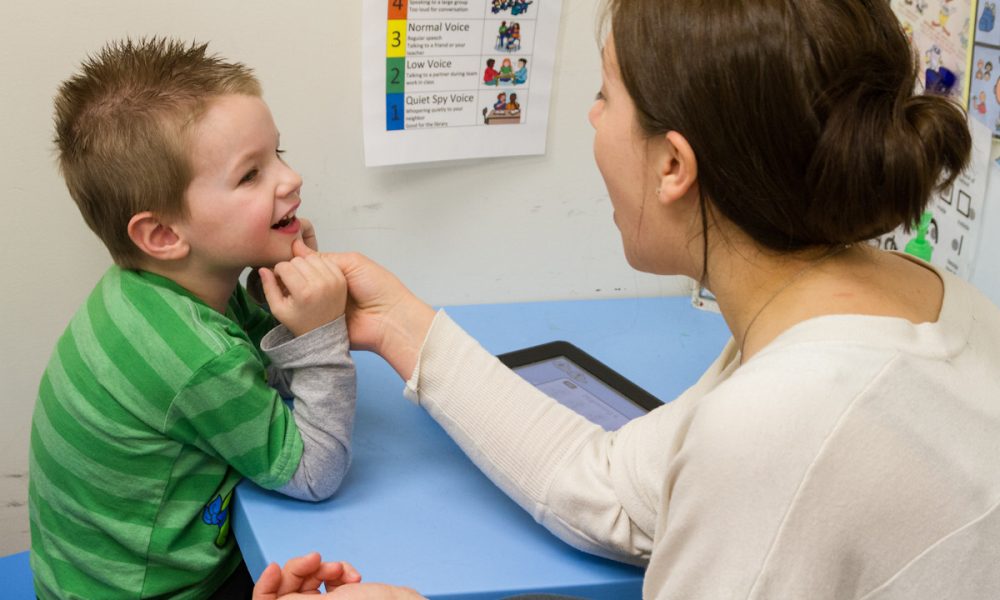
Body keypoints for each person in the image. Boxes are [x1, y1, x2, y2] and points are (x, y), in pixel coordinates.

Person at [271, 0, 1000, 598]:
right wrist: (402, 322)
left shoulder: (782, 421)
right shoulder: (913, 299)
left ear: (674, 164)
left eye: (603, 97)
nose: (591, 120)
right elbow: (616, 492)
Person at [29, 37, 357, 599]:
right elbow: (313, 473)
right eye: (250, 175)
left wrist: (279, 309)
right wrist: (321, 335)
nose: (291, 178)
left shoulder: (156, 293)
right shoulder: (197, 357)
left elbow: (263, 383)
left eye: (278, 153)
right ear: (162, 235)